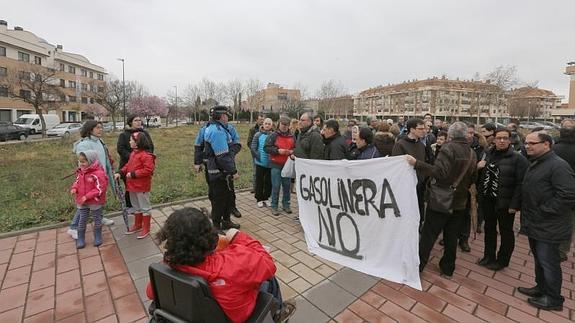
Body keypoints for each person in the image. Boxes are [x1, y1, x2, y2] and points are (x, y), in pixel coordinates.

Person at [146, 207, 296, 323]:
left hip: (196, 315)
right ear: (210, 237)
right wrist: (237, 236)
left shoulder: (166, 266)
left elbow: (150, 293)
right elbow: (268, 264)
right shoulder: (230, 265)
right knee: (269, 279)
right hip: (235, 317)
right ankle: (277, 313)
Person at [407, 122, 477, 279]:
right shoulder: (472, 153)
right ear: (466, 135)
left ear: (450, 135)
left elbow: (439, 172)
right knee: (451, 236)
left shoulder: (448, 148)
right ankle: (448, 268)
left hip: (441, 200)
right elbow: (473, 178)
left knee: (429, 234)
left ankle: (417, 266)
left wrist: (417, 163)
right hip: (459, 202)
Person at [517, 132, 575, 311]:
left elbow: (568, 194)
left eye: (533, 143)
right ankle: (541, 288)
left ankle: (553, 298)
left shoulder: (558, 166)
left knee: (549, 261)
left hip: (549, 224)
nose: (528, 146)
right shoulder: (538, 162)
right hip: (537, 222)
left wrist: (544, 211)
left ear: (547, 144)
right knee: (539, 259)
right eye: (526, 143)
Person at [476, 128, 528, 271]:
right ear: (494, 139)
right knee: (489, 228)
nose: (502, 141)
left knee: (506, 232)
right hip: (487, 199)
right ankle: (488, 256)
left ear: (510, 140)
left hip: (505, 202)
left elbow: (521, 183)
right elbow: (481, 176)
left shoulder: (518, 159)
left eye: (505, 138)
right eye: (499, 138)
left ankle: (502, 261)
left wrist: (515, 204)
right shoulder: (487, 153)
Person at [194, 105, 241, 230]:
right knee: (219, 198)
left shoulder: (220, 128)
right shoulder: (217, 131)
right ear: (221, 116)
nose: (227, 118)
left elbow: (233, 146)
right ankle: (216, 227)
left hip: (221, 170)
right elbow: (222, 156)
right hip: (219, 172)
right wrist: (234, 171)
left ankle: (226, 221)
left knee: (226, 196)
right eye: (226, 115)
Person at [68, 121, 115, 240]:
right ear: (90, 129)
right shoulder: (84, 145)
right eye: (98, 128)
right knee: (85, 204)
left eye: (101, 127)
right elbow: (82, 163)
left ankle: (100, 217)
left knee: (98, 199)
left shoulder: (100, 141)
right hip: (89, 179)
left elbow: (104, 158)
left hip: (101, 176)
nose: (101, 130)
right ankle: (73, 227)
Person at [115, 132, 156, 239]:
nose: (129, 141)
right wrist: (120, 172)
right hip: (131, 186)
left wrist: (133, 174)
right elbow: (128, 165)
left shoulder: (146, 156)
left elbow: (148, 170)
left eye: (131, 140)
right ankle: (138, 225)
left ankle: (146, 227)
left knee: (145, 207)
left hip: (142, 186)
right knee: (136, 206)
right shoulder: (133, 153)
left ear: (137, 142)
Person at [116, 115, 154, 216]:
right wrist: (133, 157)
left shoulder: (144, 133)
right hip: (127, 165)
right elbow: (121, 149)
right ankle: (131, 207)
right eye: (135, 120)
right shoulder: (124, 135)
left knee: (140, 190)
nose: (138, 122)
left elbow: (150, 147)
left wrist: (141, 158)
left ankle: (142, 210)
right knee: (130, 187)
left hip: (142, 166)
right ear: (130, 122)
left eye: (139, 120)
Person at [392, 118, 427, 227]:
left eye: (424, 128)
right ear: (411, 129)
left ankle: (419, 226)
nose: (424, 131)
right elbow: (396, 166)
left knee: (419, 209)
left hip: (420, 185)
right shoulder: (400, 144)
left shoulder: (422, 145)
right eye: (420, 128)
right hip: (406, 186)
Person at [70, 150, 108, 249]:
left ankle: (98, 236)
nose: (81, 164)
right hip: (82, 201)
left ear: (90, 161)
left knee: (97, 218)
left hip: (95, 201)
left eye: (83, 161)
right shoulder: (81, 172)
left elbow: (100, 188)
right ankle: (81, 238)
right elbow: (77, 182)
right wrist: (74, 188)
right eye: (79, 161)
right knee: (82, 219)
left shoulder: (98, 173)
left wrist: (87, 196)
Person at [264, 116, 295, 216]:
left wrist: (292, 152)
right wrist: (277, 151)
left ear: (289, 125)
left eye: (286, 125)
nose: (284, 126)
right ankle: (274, 206)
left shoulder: (292, 136)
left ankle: (286, 205)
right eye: (282, 124)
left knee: (286, 186)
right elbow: (266, 148)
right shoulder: (273, 135)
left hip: (287, 165)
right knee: (276, 186)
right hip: (275, 164)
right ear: (279, 124)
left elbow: (296, 148)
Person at [554, 119, 575, 261]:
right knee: (569, 223)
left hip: (553, 191)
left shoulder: (552, 149)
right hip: (572, 194)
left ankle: (551, 247)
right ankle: (562, 251)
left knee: (553, 220)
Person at [251, 118, 273, 207]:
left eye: (269, 124)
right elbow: (253, 148)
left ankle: (266, 197)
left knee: (268, 181)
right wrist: (258, 157)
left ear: (272, 125)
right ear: (263, 124)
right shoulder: (257, 135)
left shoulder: (274, 135)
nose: (267, 125)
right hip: (260, 163)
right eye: (266, 123)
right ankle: (259, 198)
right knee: (259, 181)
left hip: (270, 163)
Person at [247, 114, 265, 193]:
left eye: (263, 119)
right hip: (256, 154)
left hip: (265, 154)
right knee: (255, 172)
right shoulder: (252, 130)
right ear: (257, 120)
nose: (261, 121)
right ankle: (255, 188)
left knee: (264, 172)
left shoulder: (268, 129)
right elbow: (249, 142)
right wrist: (255, 151)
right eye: (260, 119)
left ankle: (264, 187)